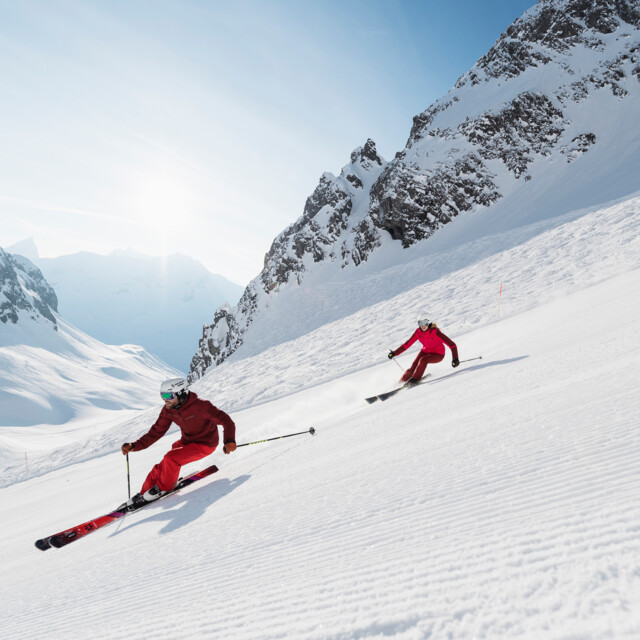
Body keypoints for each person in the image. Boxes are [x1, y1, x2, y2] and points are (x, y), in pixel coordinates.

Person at [119, 378, 237, 511]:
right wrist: (135, 446)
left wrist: (229, 440)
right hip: (187, 442)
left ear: (181, 393)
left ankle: (163, 488)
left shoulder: (201, 406)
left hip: (205, 444)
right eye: (162, 396)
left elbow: (226, 421)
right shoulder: (168, 410)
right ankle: (144, 494)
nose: (165, 399)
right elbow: (156, 432)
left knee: (171, 458)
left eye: (168, 395)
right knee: (161, 466)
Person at [388, 314, 460, 385]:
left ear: (429, 323)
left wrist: (455, 358)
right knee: (413, 366)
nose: (422, 326)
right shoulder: (418, 332)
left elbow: (452, 345)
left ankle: (415, 379)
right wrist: (394, 353)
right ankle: (401, 383)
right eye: (420, 323)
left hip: (438, 354)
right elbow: (407, 344)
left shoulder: (435, 332)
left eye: (424, 323)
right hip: (425, 351)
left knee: (423, 360)